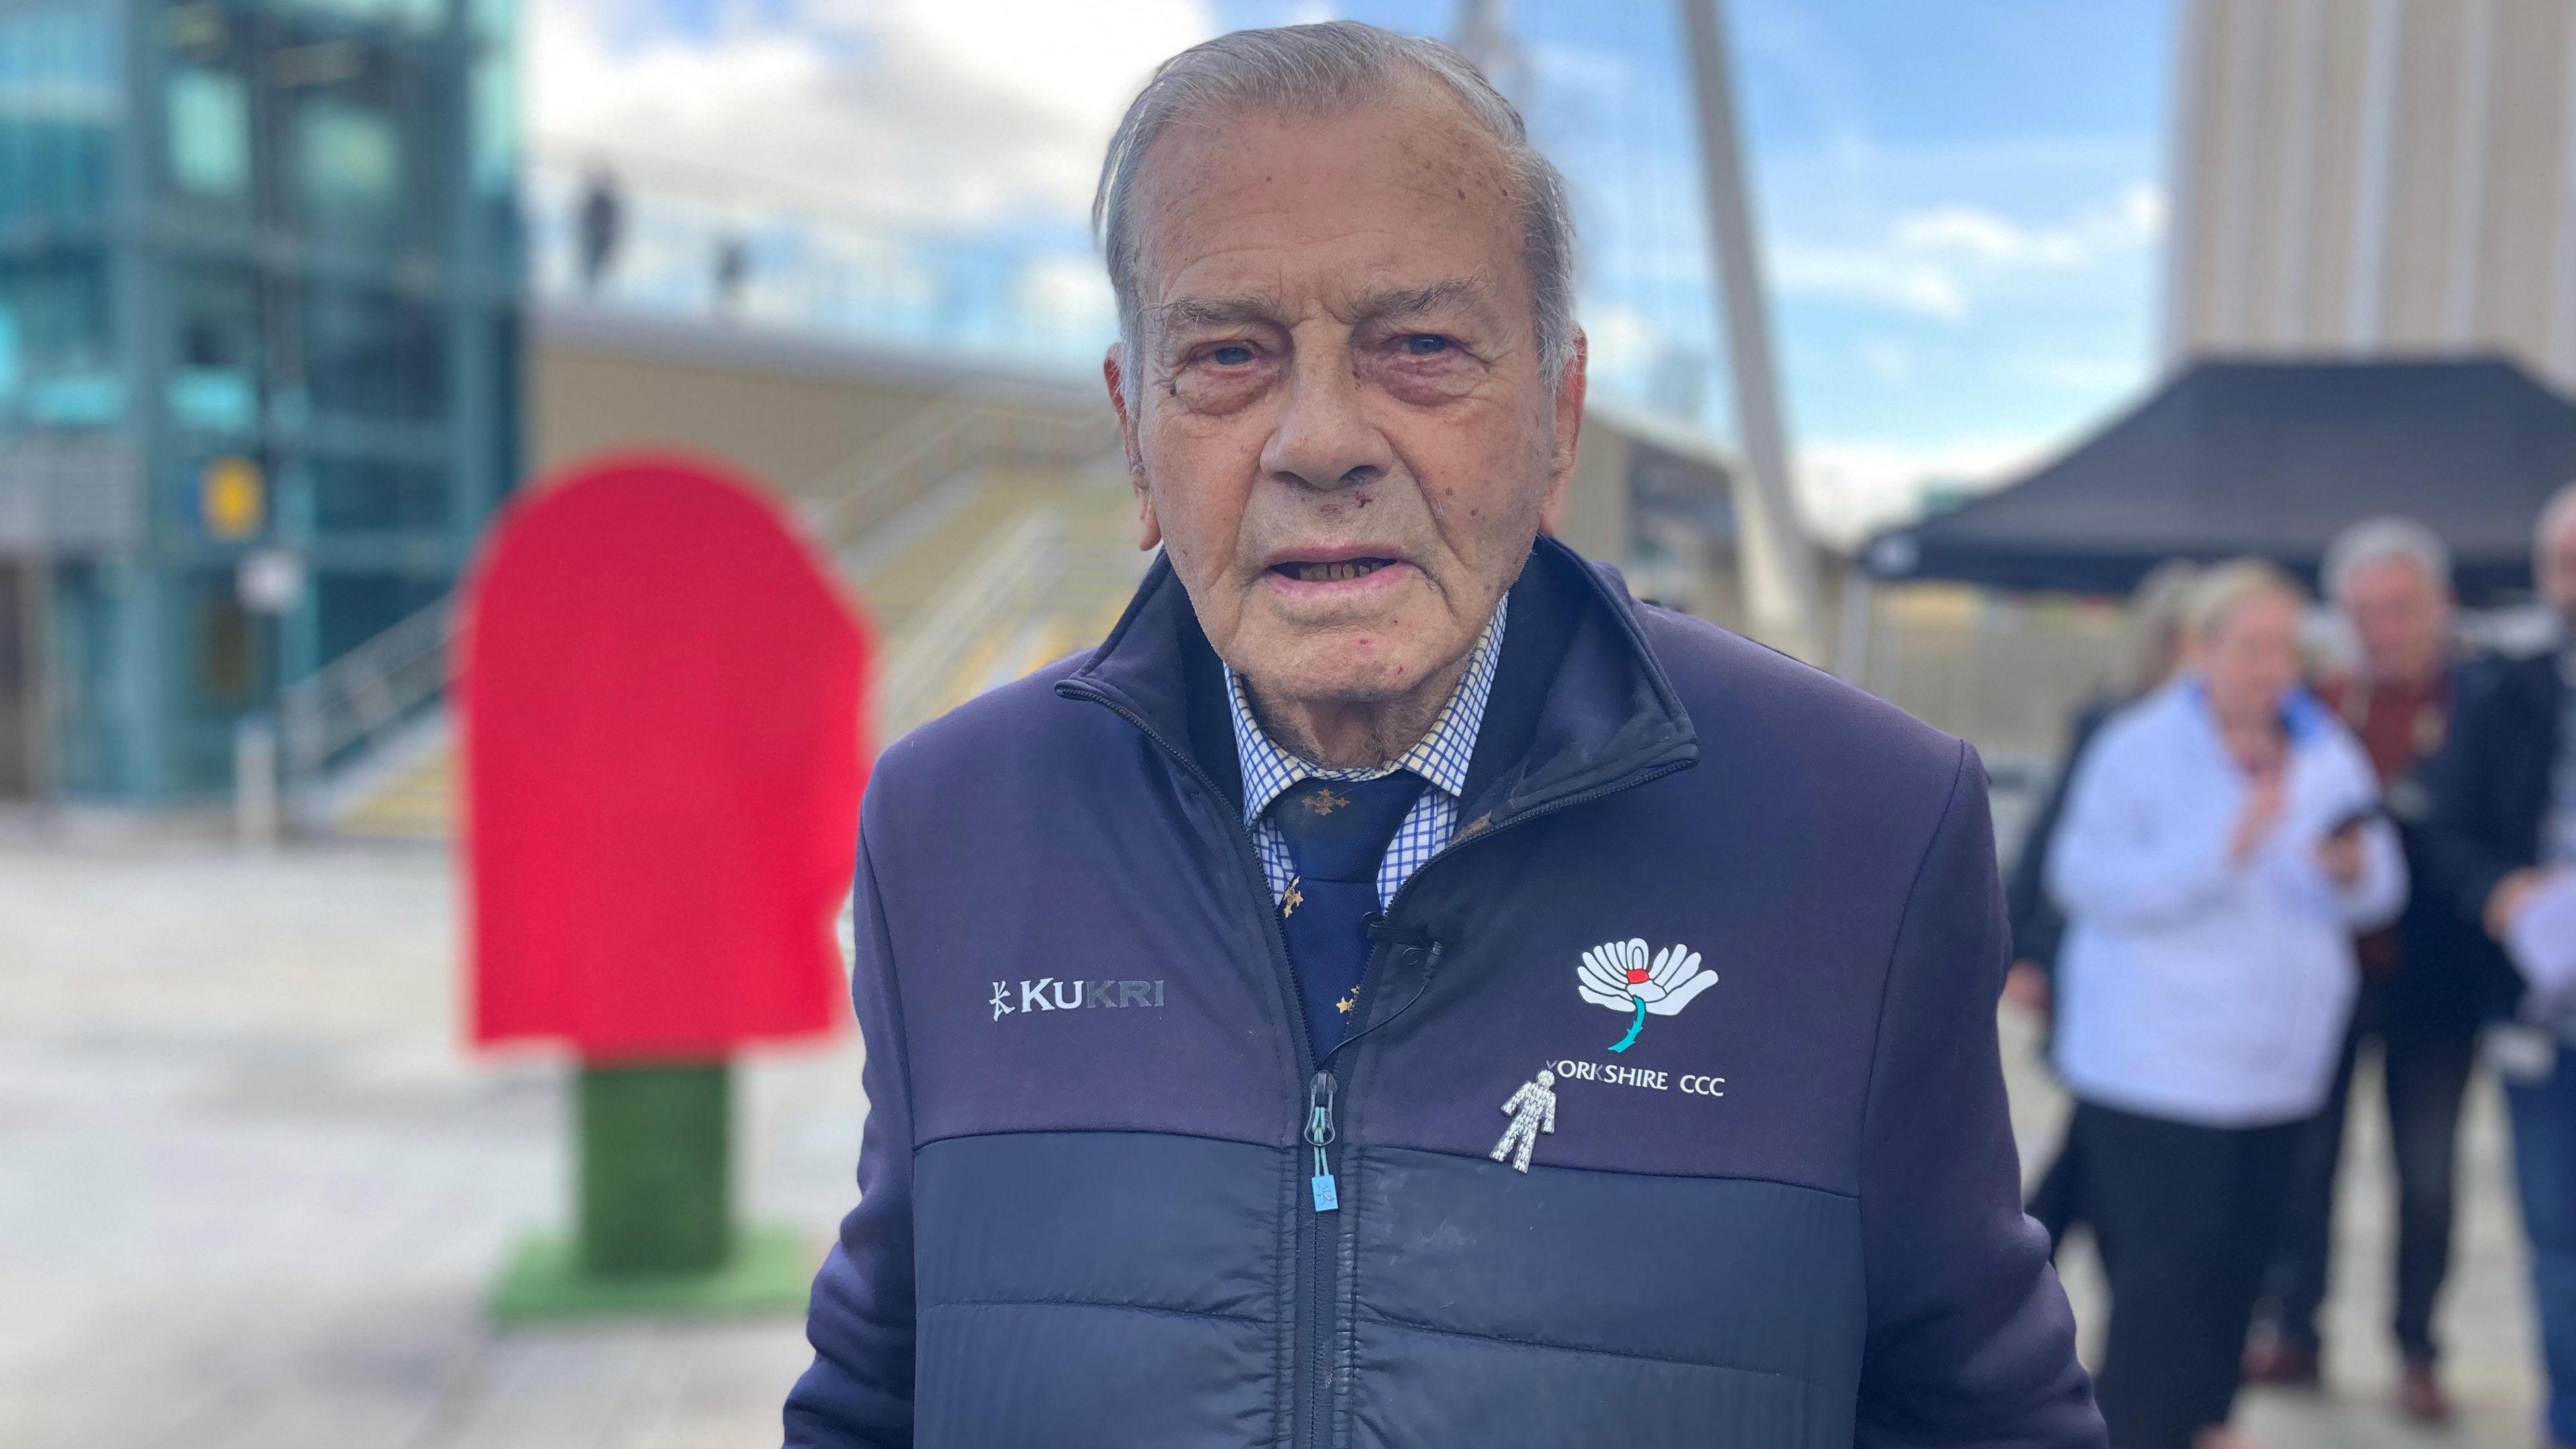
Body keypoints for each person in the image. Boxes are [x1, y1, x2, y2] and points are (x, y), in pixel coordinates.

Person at [786, 22, 2102, 1449]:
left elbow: (1983, 1410)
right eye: (1228, 354)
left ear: (1558, 417)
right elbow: (876, 1386)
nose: (1321, 441)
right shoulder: (949, 827)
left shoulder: (1862, 830)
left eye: (1419, 346)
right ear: (1135, 429)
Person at [2047, 560, 2406, 1449]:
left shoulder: (2323, 745)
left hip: (2278, 1075)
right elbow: (2080, 877)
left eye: (2287, 648)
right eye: (2251, 647)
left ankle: (2207, 1423)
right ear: (2201, 649)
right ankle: (2134, 1433)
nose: (2271, 668)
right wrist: (2221, 851)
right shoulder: (2139, 744)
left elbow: (2383, 885)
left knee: (2236, 1280)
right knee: (2162, 1290)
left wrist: (2355, 874)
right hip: (2159, 1073)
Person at [2243, 520, 2483, 1421]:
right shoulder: (2312, 704)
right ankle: (2296, 1329)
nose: (2383, 629)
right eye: (2365, 612)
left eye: (2399, 610)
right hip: (2323, 982)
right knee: (2307, 1168)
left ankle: (2418, 1349)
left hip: (2438, 986)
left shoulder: (2479, 701)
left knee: (2426, 1177)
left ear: (2439, 608)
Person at [2419, 482, 2576, 1449]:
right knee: (2558, 1246)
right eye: (2565, 563)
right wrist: (2500, 893)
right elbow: (2445, 833)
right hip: (2539, 1023)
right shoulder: (2502, 692)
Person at [2007, 559, 2200, 1252]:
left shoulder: (2242, 738)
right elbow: (2052, 840)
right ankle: (2016, 1272)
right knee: (2102, 1135)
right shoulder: (2116, 721)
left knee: (2101, 1145)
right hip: (2102, 966)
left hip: (2176, 986)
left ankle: (2018, 1272)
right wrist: (2022, 951)